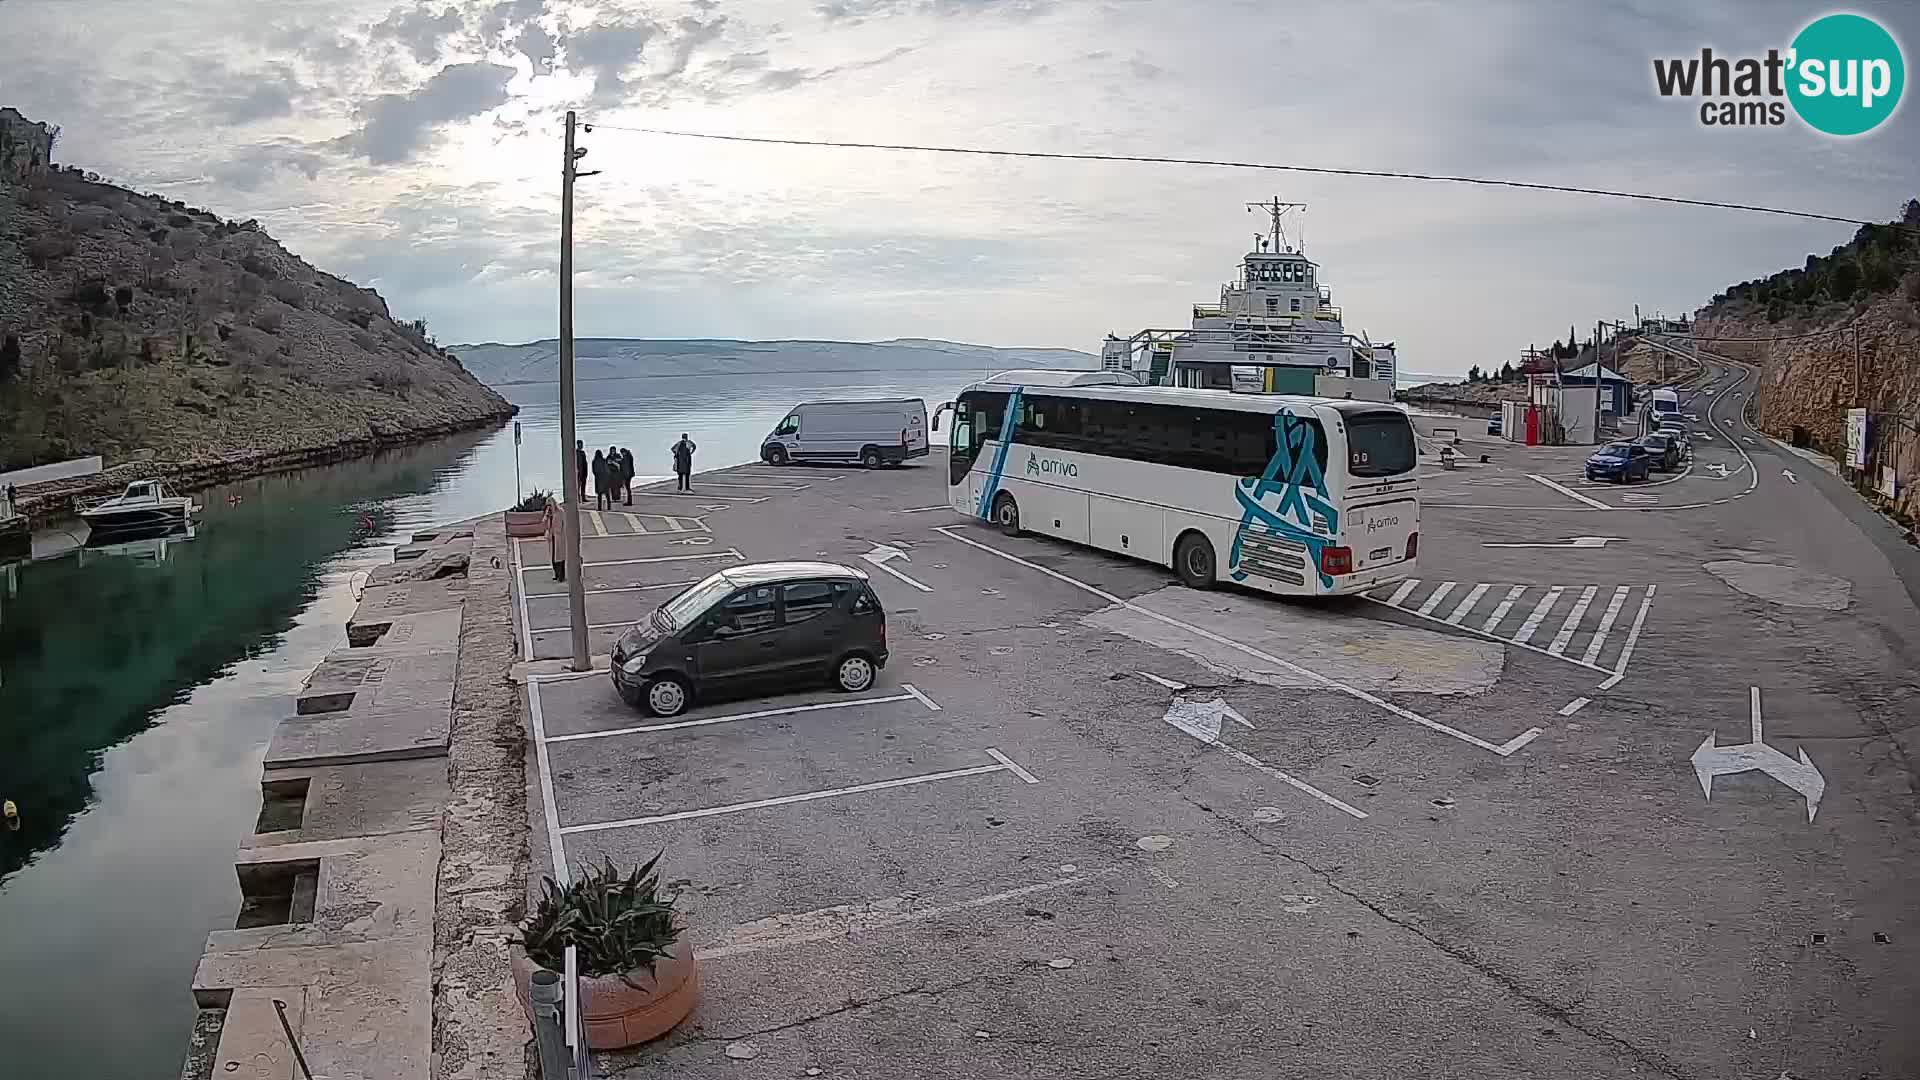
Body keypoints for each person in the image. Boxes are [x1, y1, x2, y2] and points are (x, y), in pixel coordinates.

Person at [544, 495, 566, 581]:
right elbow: (544, 522)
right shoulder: (549, 513)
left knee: (560, 558)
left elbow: (561, 525)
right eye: (547, 505)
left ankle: (561, 576)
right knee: (553, 558)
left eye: (550, 505)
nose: (549, 507)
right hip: (552, 537)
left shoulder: (560, 512)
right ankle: (556, 574)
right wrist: (547, 516)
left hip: (559, 536)